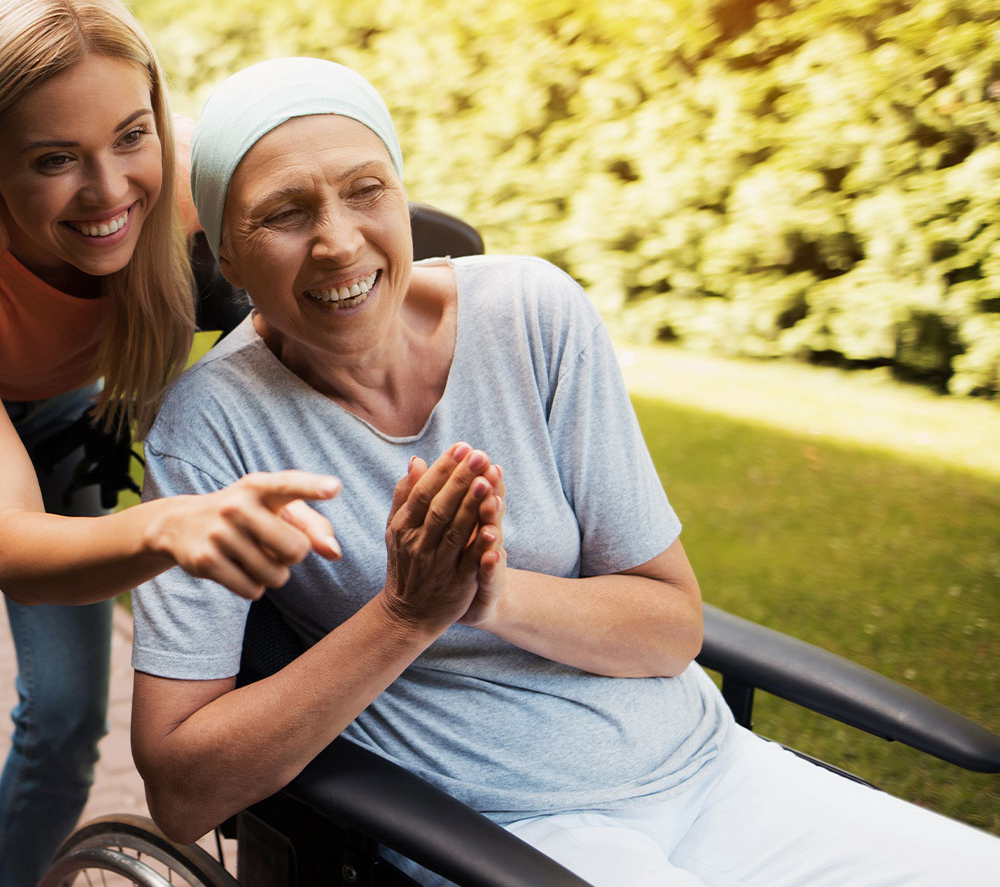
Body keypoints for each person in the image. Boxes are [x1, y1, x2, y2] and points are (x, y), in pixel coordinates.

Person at [127, 57, 1000, 885]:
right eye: (284, 214)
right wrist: (403, 614)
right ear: (229, 258)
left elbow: (669, 627)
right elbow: (181, 790)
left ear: (400, 193)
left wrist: (494, 594)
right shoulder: (210, 428)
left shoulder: (533, 315)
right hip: (507, 831)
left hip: (712, 769)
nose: (337, 242)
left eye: (366, 191)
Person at [0, 0, 344, 887]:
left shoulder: (189, 180)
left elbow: (335, 230)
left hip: (65, 409)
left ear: (156, 112)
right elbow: (14, 545)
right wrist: (168, 525)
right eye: (54, 159)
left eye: (129, 136)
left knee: (70, 717)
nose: (111, 193)